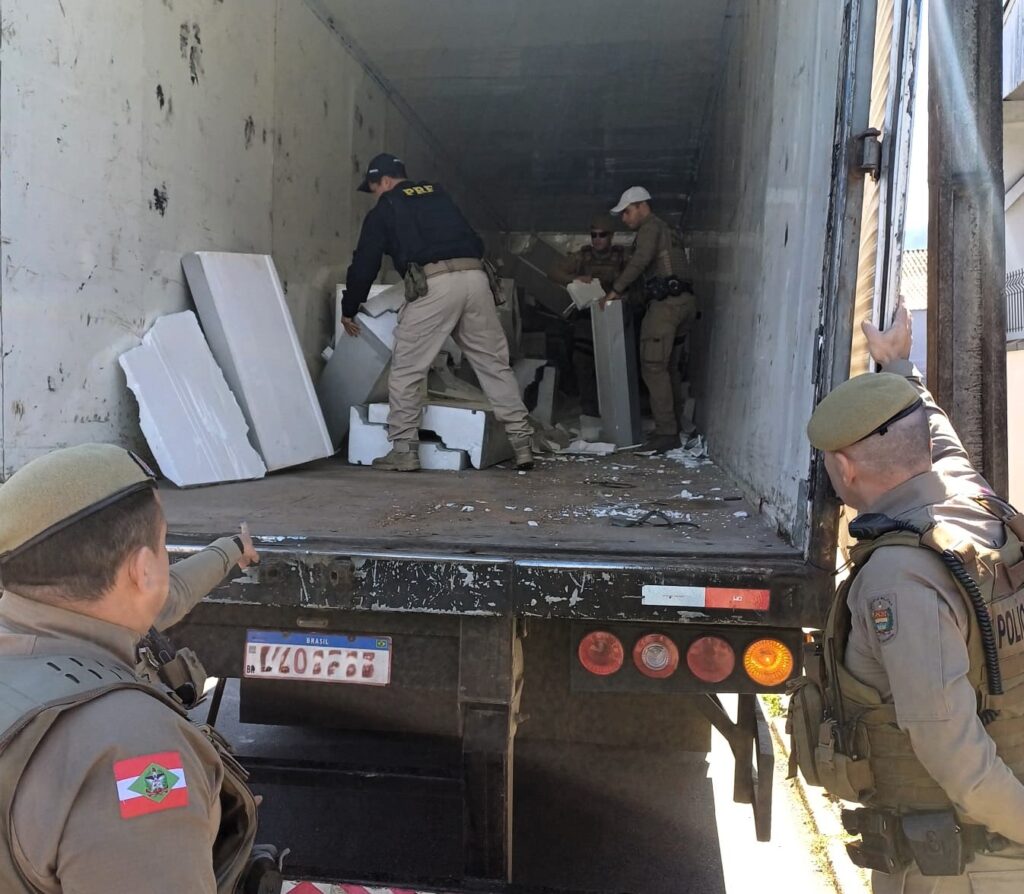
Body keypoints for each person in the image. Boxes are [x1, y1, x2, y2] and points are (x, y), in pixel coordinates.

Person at [798, 297, 1024, 892]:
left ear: (845, 468)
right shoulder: (968, 499)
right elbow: (939, 439)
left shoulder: (902, 578)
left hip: (968, 864)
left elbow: (956, 756)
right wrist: (900, 371)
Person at [0, 443, 272, 893]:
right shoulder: (132, 748)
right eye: (163, 545)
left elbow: (173, 594)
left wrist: (229, 551)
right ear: (144, 570)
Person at [340, 153, 534, 472]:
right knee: (494, 364)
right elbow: (474, 239)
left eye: (374, 188)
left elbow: (365, 263)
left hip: (435, 284)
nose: (375, 195)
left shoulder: (386, 208)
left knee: (407, 369)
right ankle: (522, 442)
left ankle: (403, 450)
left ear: (385, 181)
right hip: (476, 278)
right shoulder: (439, 194)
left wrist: (350, 307)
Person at [602, 186, 695, 453]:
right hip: (684, 302)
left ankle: (667, 432)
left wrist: (615, 291)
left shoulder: (650, 228)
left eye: (627, 212)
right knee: (669, 368)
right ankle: (673, 425)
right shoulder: (668, 231)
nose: (624, 218)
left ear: (642, 206)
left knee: (653, 366)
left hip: (667, 306)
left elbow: (640, 261)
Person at [547, 213, 628, 417]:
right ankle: (590, 410)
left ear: (611, 236)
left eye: (602, 235)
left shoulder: (622, 257)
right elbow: (554, 272)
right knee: (582, 362)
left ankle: (616, 411)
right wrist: (576, 279)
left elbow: (636, 281)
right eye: (594, 235)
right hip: (587, 317)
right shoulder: (583, 256)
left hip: (614, 317)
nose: (597, 239)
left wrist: (620, 297)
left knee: (616, 365)